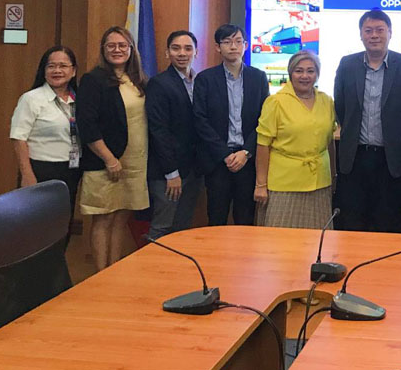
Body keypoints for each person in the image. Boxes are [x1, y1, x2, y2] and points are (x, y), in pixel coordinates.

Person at [333, 9, 401, 233]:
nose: (374, 35)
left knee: (389, 221)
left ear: (390, 33)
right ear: (361, 35)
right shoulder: (347, 64)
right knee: (354, 220)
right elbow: (341, 107)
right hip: (355, 157)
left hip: (391, 159)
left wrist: (400, 139)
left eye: (380, 30)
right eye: (369, 30)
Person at [76, 26, 149, 271]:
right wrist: (108, 158)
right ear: (103, 50)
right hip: (106, 161)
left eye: (122, 45)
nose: (117, 50)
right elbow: (87, 124)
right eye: (111, 46)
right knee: (104, 217)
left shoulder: (138, 80)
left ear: (131, 50)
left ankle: (113, 271)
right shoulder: (93, 80)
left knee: (121, 217)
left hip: (134, 161)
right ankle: (99, 274)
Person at [193, 24, 269, 226]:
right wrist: (224, 154)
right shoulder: (205, 79)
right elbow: (200, 120)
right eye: (227, 42)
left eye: (237, 42)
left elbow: (265, 120)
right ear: (218, 47)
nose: (233, 47)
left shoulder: (258, 78)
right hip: (218, 162)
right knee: (216, 218)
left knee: (245, 219)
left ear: (245, 45)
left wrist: (246, 152)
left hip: (247, 160)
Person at [254, 50, 336, 228]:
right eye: (299, 71)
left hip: (320, 183)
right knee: (281, 241)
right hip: (284, 183)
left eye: (310, 71)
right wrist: (260, 185)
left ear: (317, 74)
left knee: (318, 241)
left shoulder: (327, 101)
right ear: (290, 73)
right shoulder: (275, 102)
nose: (305, 76)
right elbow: (263, 145)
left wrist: (333, 177)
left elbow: (329, 142)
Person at [10, 45, 81, 218]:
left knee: (64, 223)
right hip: (42, 169)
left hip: (72, 169)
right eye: (51, 66)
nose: (57, 70)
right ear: (44, 70)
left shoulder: (79, 99)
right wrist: (27, 175)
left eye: (63, 66)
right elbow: (18, 138)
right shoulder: (31, 99)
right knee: (39, 225)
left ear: (73, 71)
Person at [145, 30, 202, 239]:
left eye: (188, 48)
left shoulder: (200, 81)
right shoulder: (159, 83)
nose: (182, 53)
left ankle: (175, 271)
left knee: (182, 227)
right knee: (162, 226)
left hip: (193, 170)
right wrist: (172, 173)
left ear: (196, 52)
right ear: (167, 52)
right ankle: (154, 270)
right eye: (176, 48)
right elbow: (158, 131)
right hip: (167, 173)